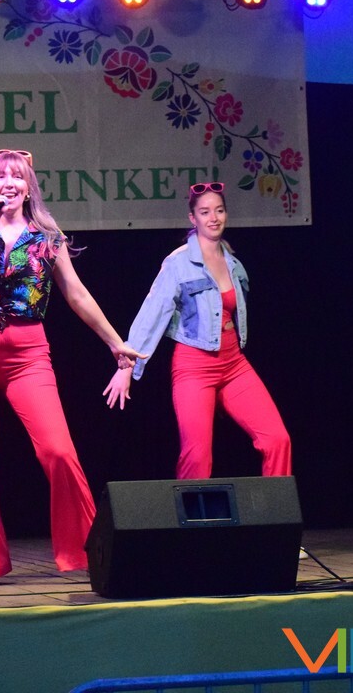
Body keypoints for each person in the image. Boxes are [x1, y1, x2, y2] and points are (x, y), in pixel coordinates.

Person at [0, 148, 145, 588]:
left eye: (18, 176)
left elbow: (76, 293)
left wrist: (115, 343)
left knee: (58, 450)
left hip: (28, 356)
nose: (9, 183)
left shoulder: (48, 238)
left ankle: (89, 550)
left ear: (29, 186)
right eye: (1, 176)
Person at [106, 182, 291, 480]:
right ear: (193, 218)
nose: (213, 218)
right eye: (205, 212)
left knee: (277, 440)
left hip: (233, 364)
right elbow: (153, 314)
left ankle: (277, 509)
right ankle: (192, 512)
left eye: (219, 211)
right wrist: (126, 365)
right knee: (197, 456)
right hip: (194, 367)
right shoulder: (178, 263)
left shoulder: (233, 263)